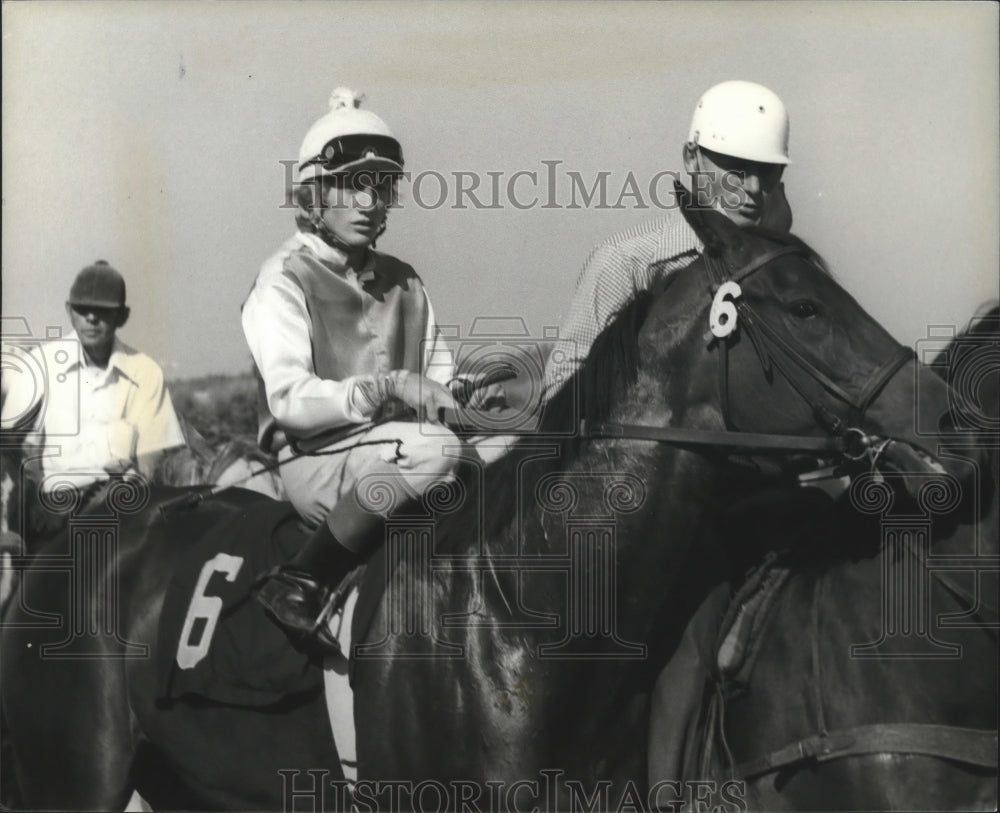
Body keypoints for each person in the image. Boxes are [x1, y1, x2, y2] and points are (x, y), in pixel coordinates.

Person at [243, 88, 495, 653]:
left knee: (511, 452)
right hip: (317, 456)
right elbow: (289, 401)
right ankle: (304, 580)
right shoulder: (282, 277)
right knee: (436, 450)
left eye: (380, 188)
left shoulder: (405, 278)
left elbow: (437, 375)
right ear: (312, 194)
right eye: (351, 185)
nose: (367, 202)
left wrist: (465, 395)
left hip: (401, 449)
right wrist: (391, 387)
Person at [543, 80, 794, 399]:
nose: (755, 188)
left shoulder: (777, 267)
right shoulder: (627, 264)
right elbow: (561, 391)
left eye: (770, 171)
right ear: (692, 158)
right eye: (738, 169)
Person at [0, 260, 186, 500]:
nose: (91, 318)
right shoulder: (37, 367)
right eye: (82, 308)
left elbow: (152, 457)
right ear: (69, 311)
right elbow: (14, 453)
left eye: (103, 310)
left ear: (122, 316)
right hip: (52, 514)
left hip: (125, 507)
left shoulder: (146, 372)